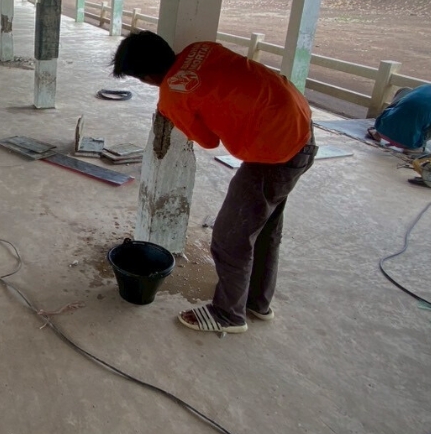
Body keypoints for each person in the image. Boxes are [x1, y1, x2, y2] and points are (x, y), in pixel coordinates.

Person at [112, 32, 315, 335]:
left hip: (275, 153)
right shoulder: (201, 49)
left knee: (229, 238)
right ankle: (256, 302)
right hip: (300, 128)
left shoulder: (171, 96)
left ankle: (228, 314)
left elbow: (208, 141)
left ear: (147, 77)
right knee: (263, 227)